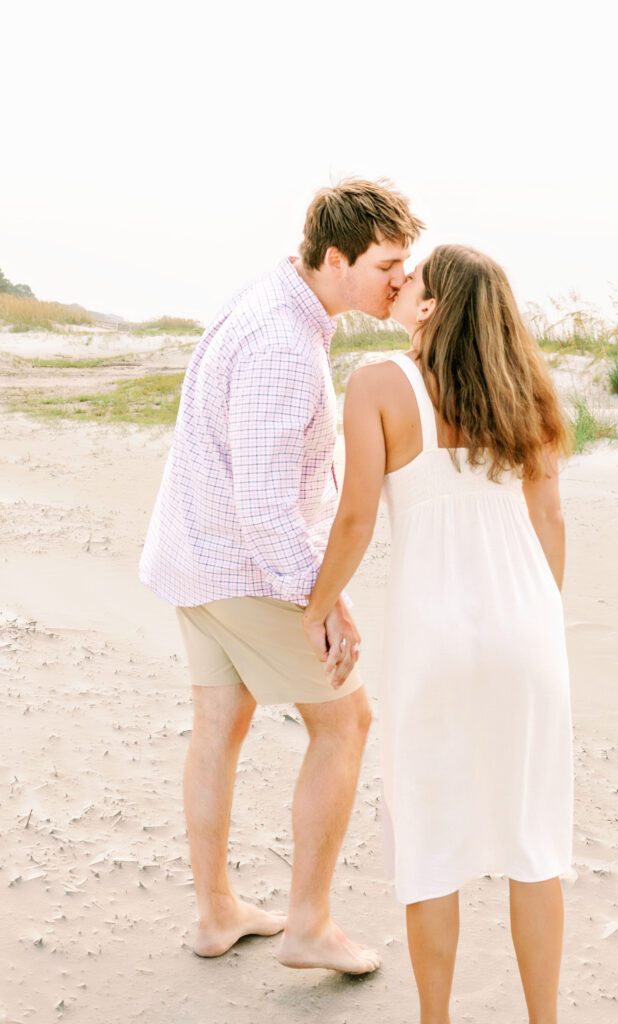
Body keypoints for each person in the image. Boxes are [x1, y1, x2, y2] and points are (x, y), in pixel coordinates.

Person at [139, 179, 424, 974]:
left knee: (219, 724)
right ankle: (307, 925)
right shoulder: (282, 345)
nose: (401, 279)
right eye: (388, 264)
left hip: (195, 555)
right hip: (241, 566)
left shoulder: (279, 300)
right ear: (337, 259)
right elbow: (265, 507)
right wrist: (323, 601)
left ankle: (216, 914)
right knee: (346, 723)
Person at [303, 244, 573, 1020]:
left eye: (412, 274)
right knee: (533, 846)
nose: (400, 280)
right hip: (529, 634)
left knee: (432, 848)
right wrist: (530, 619)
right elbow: (548, 518)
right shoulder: (526, 389)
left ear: (429, 306)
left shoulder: (379, 383)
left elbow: (355, 517)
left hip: (434, 639)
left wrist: (319, 605)